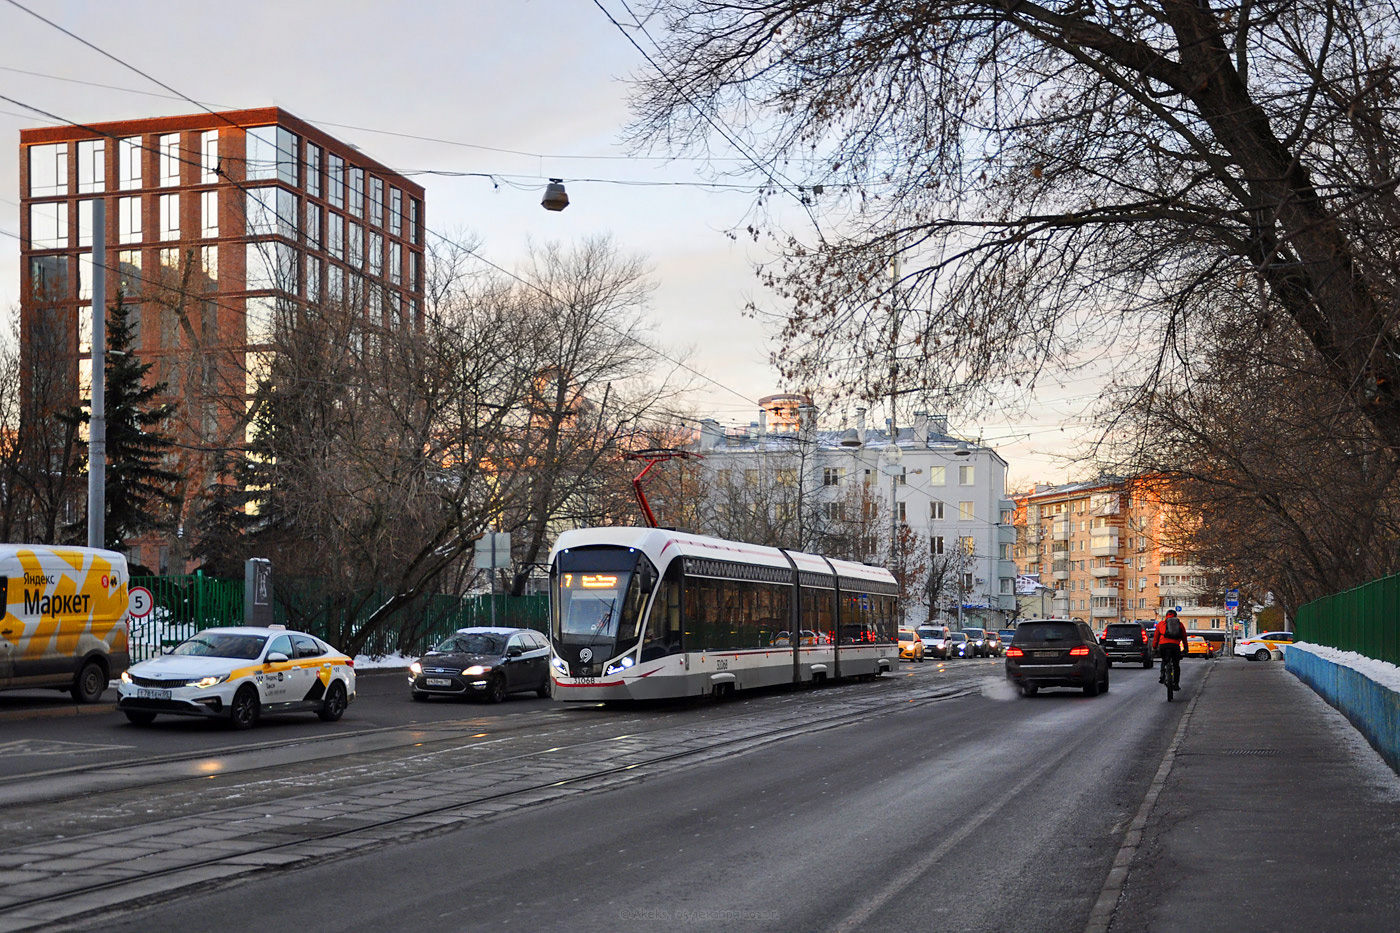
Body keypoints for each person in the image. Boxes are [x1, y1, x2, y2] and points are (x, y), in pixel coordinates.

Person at [1153, 609, 1187, 690]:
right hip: (1175, 646)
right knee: (1176, 665)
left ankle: (1162, 675)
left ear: (1166, 615)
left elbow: (1156, 637)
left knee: (1164, 660)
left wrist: (1154, 647)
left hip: (1163, 646)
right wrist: (1186, 648)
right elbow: (1184, 637)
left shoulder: (1161, 624)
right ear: (1176, 616)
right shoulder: (1180, 624)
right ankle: (1176, 684)